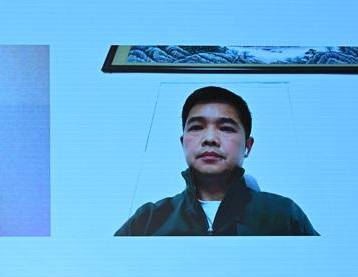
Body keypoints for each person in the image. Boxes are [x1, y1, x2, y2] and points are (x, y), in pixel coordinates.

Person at [115, 86, 317, 236]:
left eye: (226, 128)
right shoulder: (149, 218)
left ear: (248, 146)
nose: (210, 138)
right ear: (182, 142)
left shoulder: (283, 214)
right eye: (196, 127)